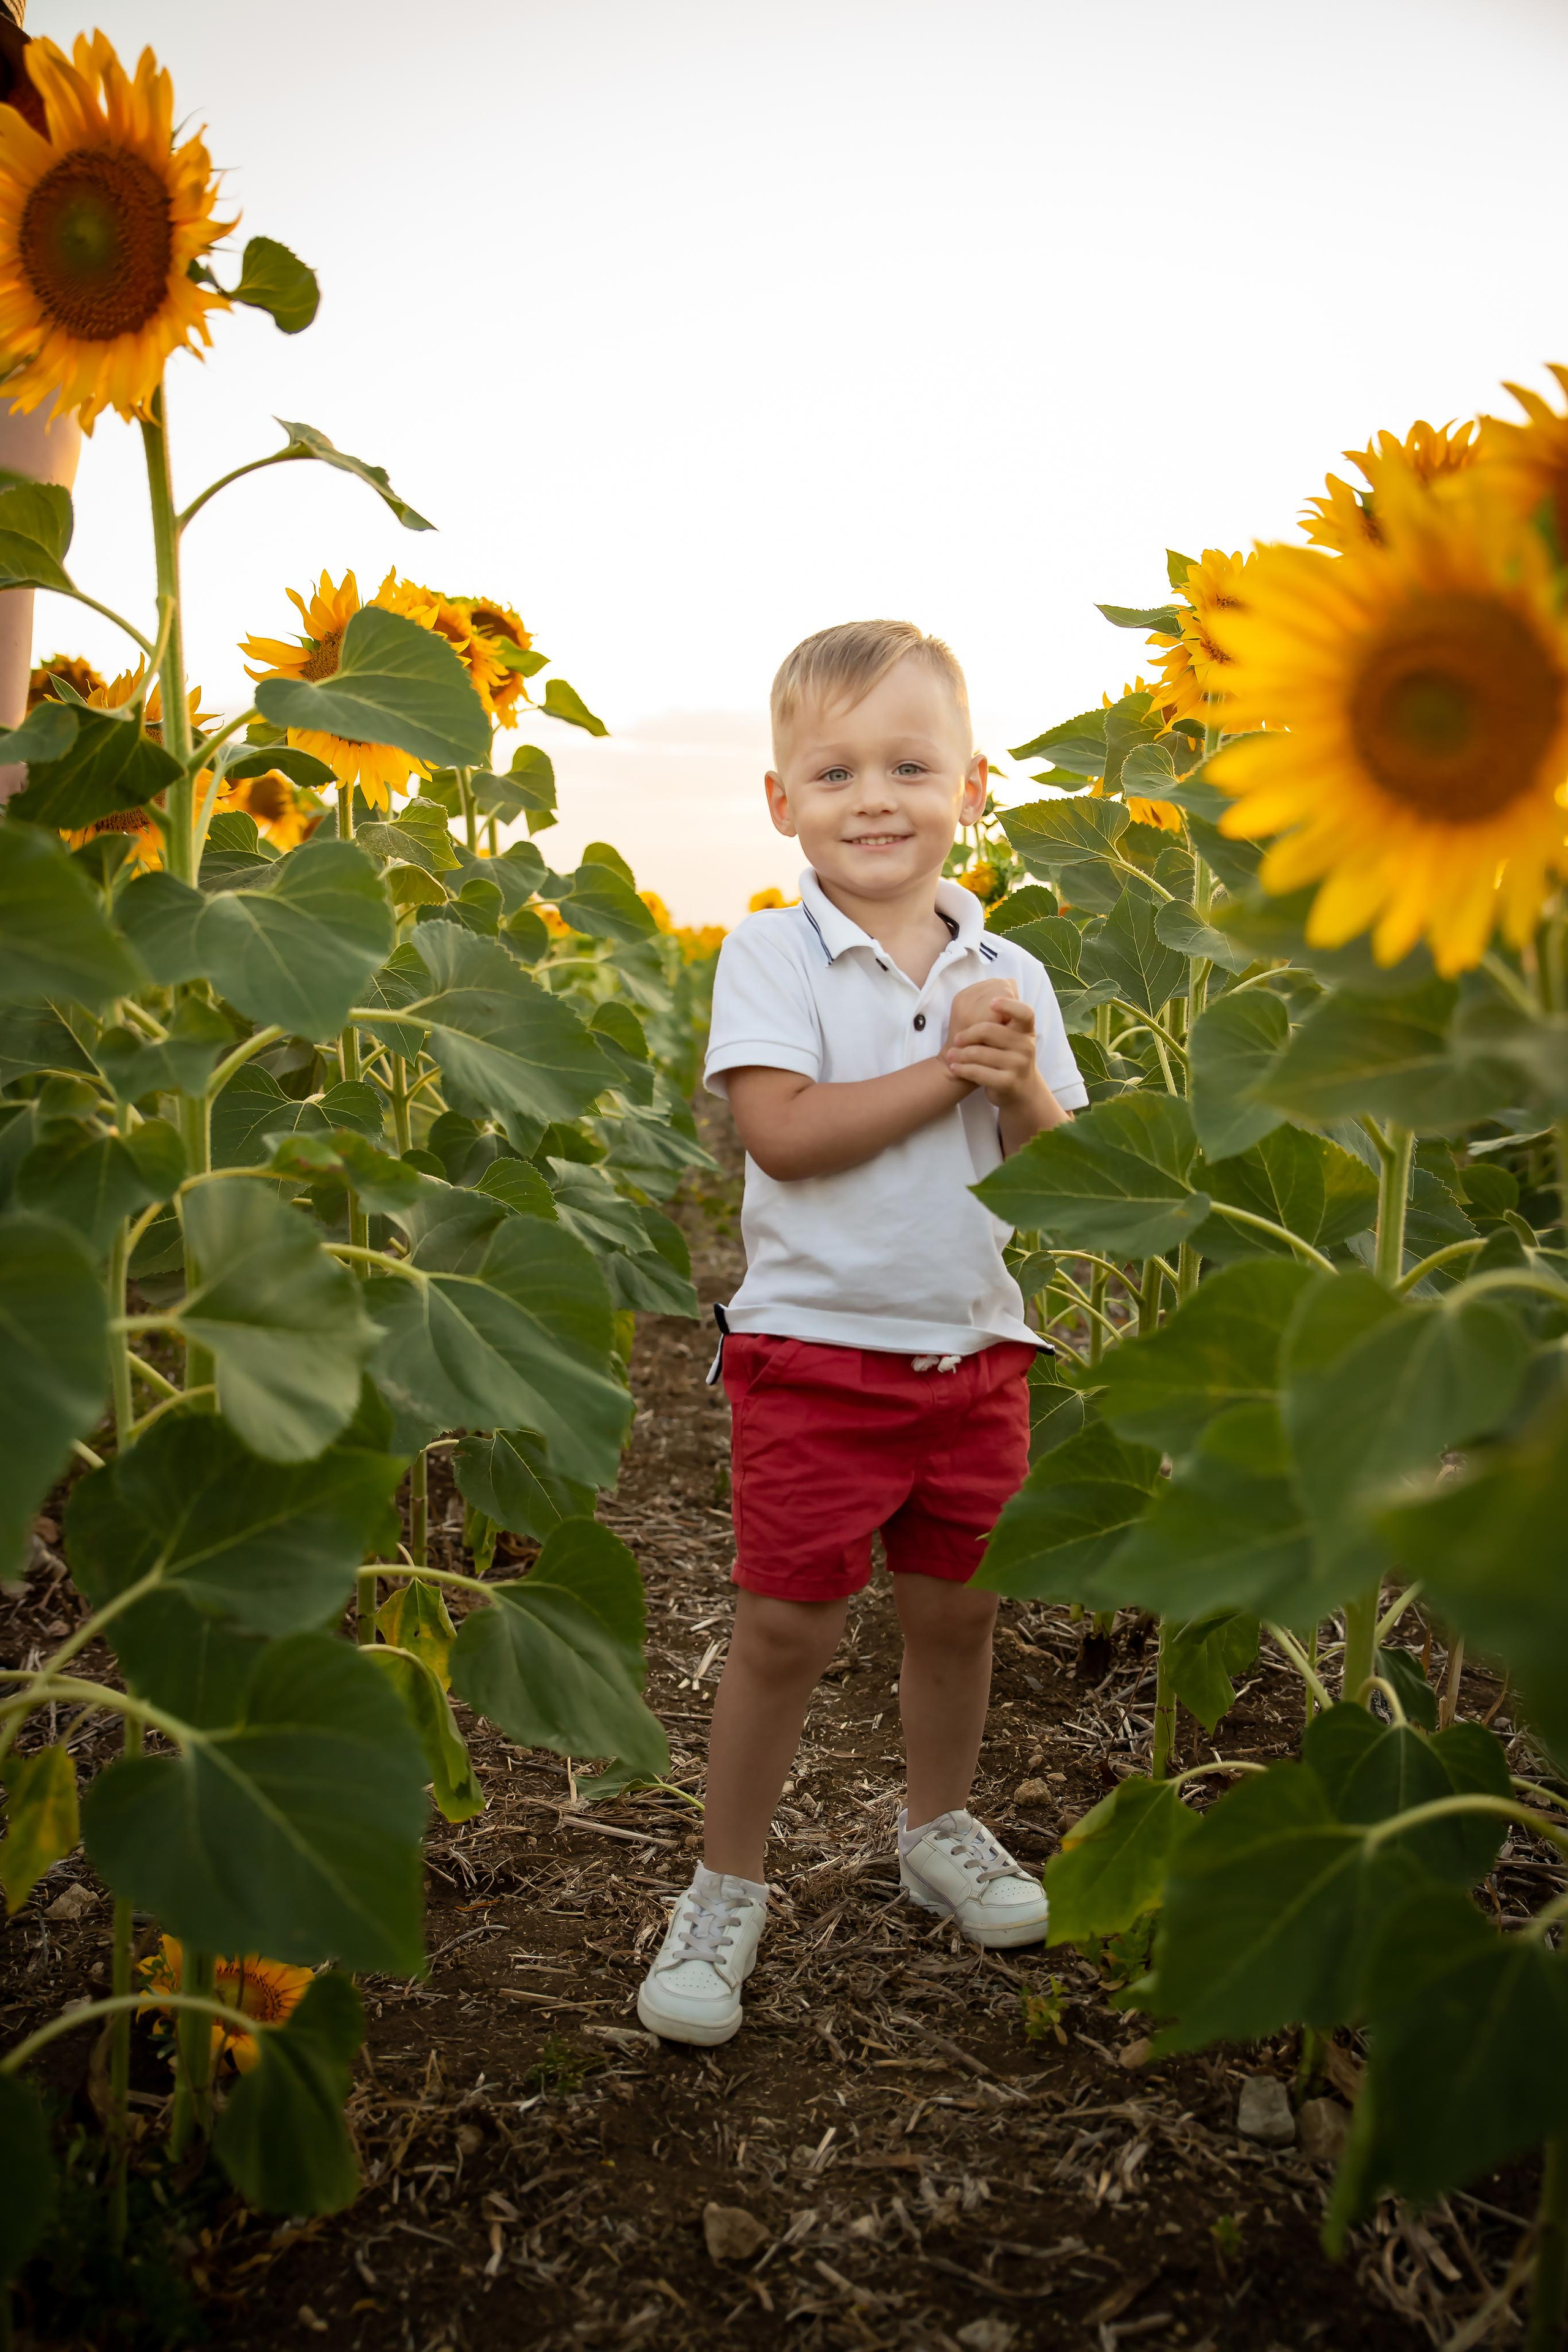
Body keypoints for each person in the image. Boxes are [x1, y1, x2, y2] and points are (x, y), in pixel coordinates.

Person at [636, 619, 1087, 2046]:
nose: (874, 797)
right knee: (784, 1627)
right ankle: (725, 1883)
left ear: (969, 786)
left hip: (974, 1351)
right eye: (833, 771)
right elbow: (780, 1138)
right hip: (816, 1356)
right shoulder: (773, 952)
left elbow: (1054, 1172)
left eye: (908, 764)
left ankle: (933, 1828)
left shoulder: (1008, 968)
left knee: (958, 1612)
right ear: (782, 804)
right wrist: (948, 1067)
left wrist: (1010, 1084)